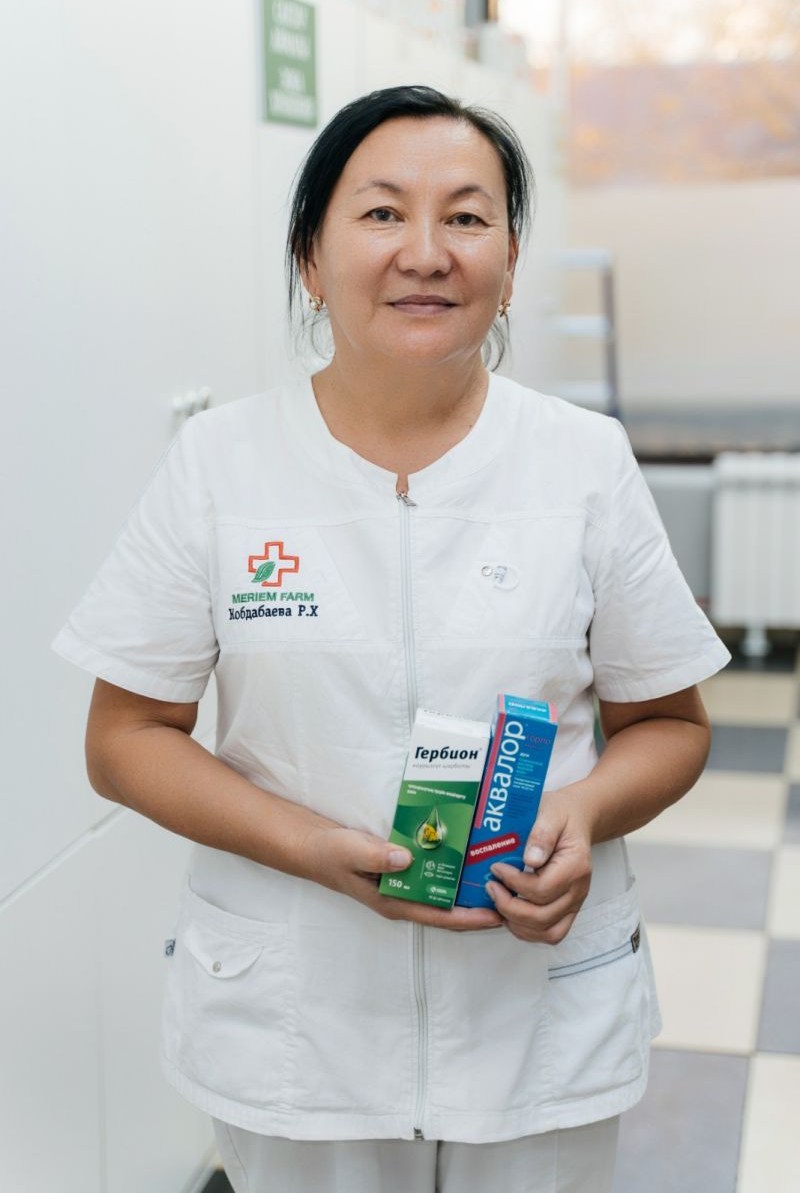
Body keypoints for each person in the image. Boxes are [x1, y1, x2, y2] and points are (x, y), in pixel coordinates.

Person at [51, 84, 731, 1192]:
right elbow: (125, 737)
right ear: (310, 260)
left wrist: (582, 812)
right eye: (380, 213)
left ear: (510, 260)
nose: (426, 252)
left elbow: (669, 723)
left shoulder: (582, 463)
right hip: (295, 1024)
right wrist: (313, 848)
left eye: (466, 217)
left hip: (532, 1019)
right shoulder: (221, 466)